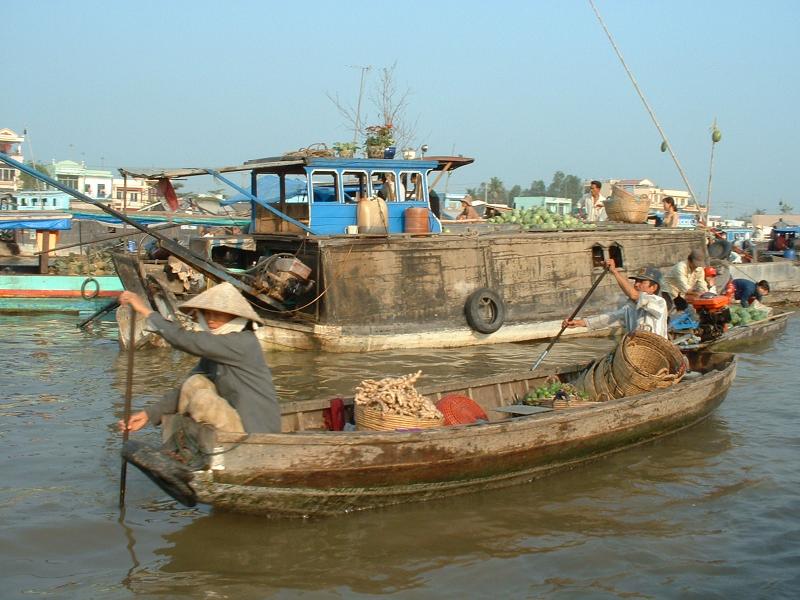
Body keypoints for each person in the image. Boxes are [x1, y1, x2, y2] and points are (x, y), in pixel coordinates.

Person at [117, 282, 281, 435]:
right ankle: (189, 441)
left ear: (233, 316)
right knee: (193, 383)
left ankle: (204, 447)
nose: (211, 319)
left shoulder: (243, 342)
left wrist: (147, 312)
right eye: (207, 313)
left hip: (255, 432)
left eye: (218, 314)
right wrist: (148, 415)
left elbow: (186, 340)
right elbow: (183, 391)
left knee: (203, 400)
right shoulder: (216, 349)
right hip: (233, 422)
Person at [563, 260, 669, 339]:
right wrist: (579, 323)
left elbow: (634, 296)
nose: (636, 285)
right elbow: (610, 317)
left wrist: (614, 271)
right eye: (636, 281)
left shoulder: (659, 302)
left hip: (656, 349)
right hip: (637, 349)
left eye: (642, 282)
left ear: (653, 288)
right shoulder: (630, 306)